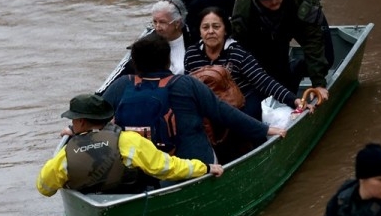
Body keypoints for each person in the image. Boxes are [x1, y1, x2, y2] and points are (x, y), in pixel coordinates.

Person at [100, 32, 286, 166]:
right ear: (167, 60)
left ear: (135, 62)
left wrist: (74, 128)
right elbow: (224, 113)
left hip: (141, 165)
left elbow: (96, 116)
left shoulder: (123, 84)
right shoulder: (186, 84)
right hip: (195, 163)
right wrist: (266, 129)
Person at [37, 94, 224, 197]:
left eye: (74, 120)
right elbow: (167, 168)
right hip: (131, 199)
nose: (73, 123)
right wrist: (206, 167)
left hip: (92, 202)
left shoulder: (66, 154)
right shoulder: (130, 141)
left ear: (82, 122)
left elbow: (44, 188)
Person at [232, 0, 332, 101]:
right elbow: (242, 48)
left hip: (300, 18)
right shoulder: (243, 6)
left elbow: (312, 38)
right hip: (268, 29)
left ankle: (298, 67)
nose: (273, 1)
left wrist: (319, 84)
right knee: (278, 74)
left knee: (327, 58)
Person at [184, 6, 305, 120]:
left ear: (225, 30)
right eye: (205, 27)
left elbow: (264, 81)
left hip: (242, 103)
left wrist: (294, 100)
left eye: (216, 27)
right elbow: (186, 88)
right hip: (209, 105)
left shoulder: (237, 54)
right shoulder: (192, 54)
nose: (210, 31)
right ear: (200, 32)